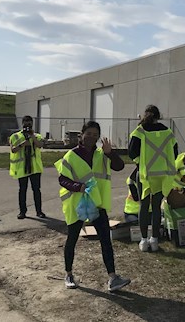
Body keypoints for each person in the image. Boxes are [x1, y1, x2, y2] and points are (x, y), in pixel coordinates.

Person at [55, 121, 130, 292]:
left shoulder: (101, 155)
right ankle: (69, 274)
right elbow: (62, 179)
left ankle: (112, 278)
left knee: (105, 240)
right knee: (72, 239)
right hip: (77, 204)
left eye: (95, 134)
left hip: (97, 204)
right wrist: (78, 187)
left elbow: (119, 166)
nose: (92, 137)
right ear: (81, 135)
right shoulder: (71, 156)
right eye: (89, 133)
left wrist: (110, 153)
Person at [129, 105, 178, 252]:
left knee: (144, 206)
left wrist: (140, 163)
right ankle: (155, 240)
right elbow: (174, 152)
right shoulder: (168, 132)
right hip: (162, 175)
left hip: (145, 174)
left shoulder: (140, 130)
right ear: (159, 115)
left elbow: (131, 152)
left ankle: (144, 241)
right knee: (156, 207)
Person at [9, 115, 46, 219]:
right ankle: (22, 212)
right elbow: (13, 150)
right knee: (22, 190)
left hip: (35, 168)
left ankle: (39, 211)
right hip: (22, 168)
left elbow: (40, 145)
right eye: (26, 124)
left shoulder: (37, 136)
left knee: (36, 190)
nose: (28, 126)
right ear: (22, 124)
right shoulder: (15, 136)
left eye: (30, 124)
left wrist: (32, 136)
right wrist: (22, 144)